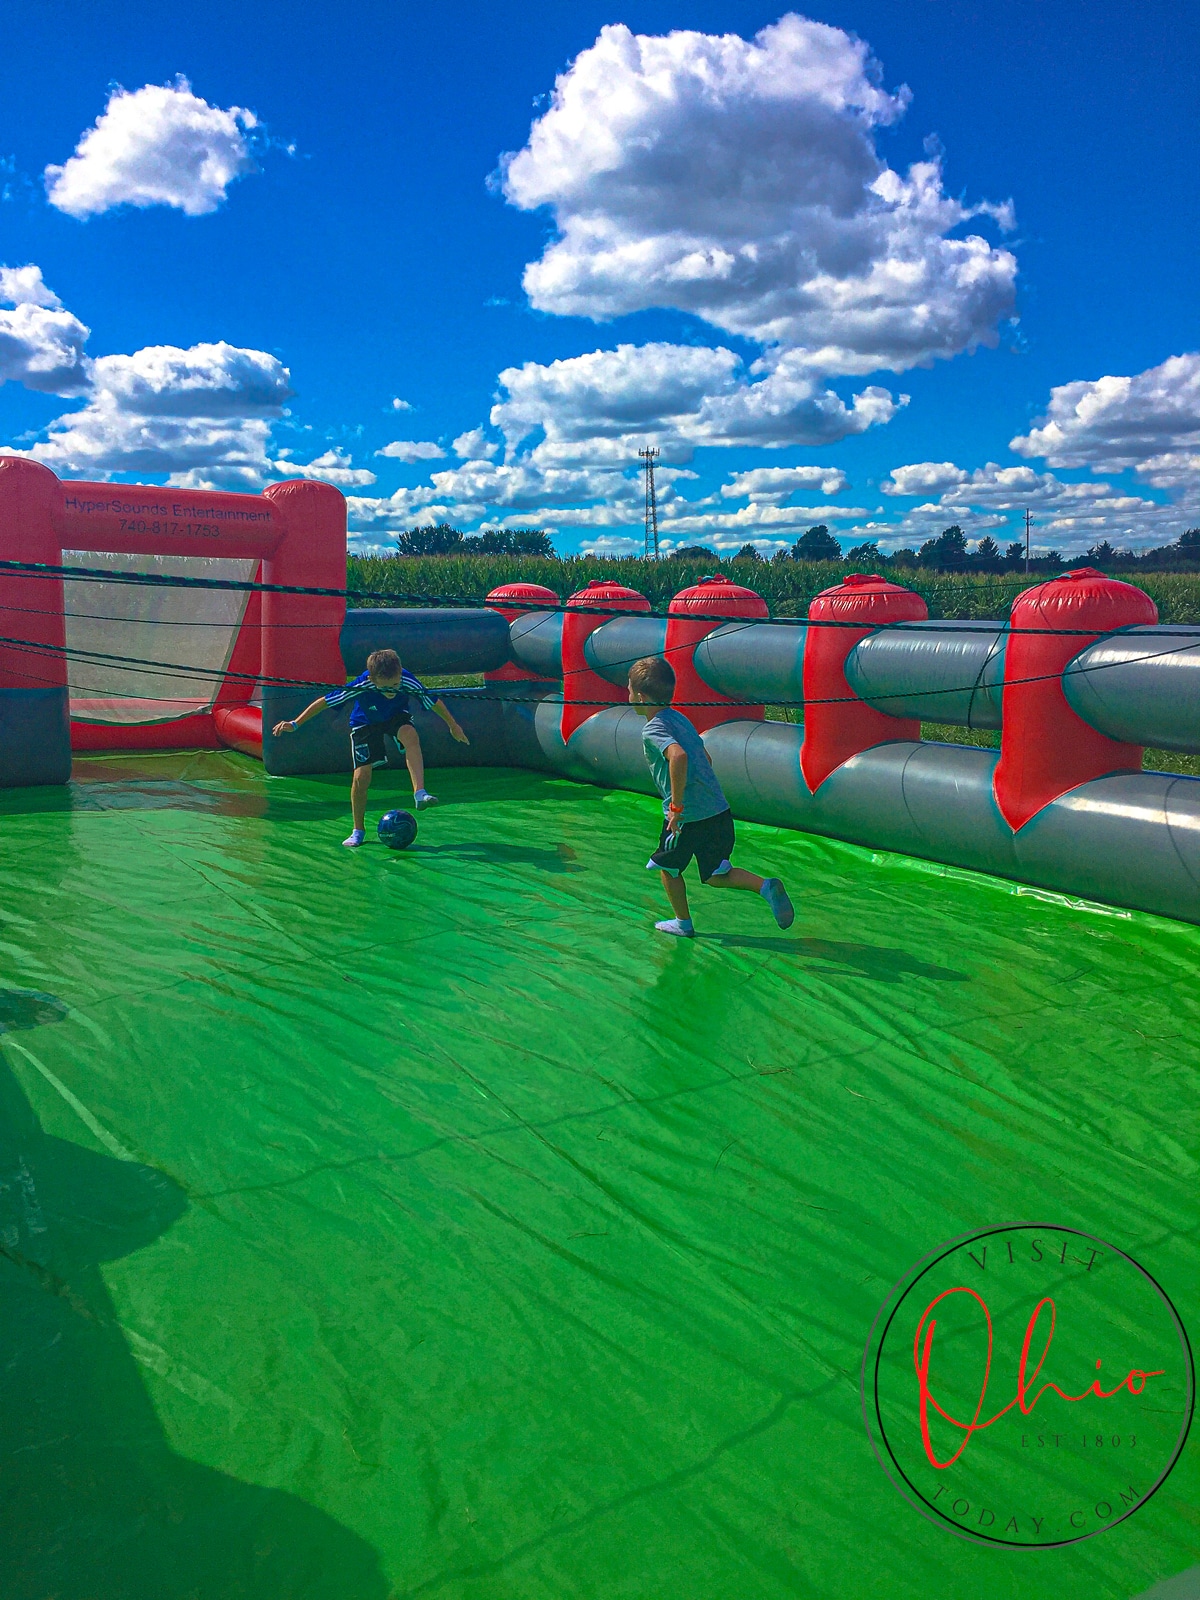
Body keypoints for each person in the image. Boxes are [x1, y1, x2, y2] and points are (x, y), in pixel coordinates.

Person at [627, 655, 794, 938]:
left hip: (686, 818)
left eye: (629, 690)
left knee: (668, 867)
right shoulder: (680, 718)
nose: (627, 695)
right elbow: (705, 757)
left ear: (641, 697)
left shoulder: (653, 728)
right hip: (717, 811)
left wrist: (677, 807)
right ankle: (764, 886)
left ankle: (683, 923)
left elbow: (677, 756)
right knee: (717, 874)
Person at [272, 648, 469, 847]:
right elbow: (324, 702)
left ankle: (419, 793)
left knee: (410, 735)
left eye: (395, 684)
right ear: (373, 681)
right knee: (361, 777)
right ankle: (358, 829)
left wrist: (453, 725)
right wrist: (295, 723)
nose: (392, 691)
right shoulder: (362, 684)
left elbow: (434, 702)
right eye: (385, 687)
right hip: (365, 722)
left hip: (395, 716)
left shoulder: (407, 680)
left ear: (400, 673)